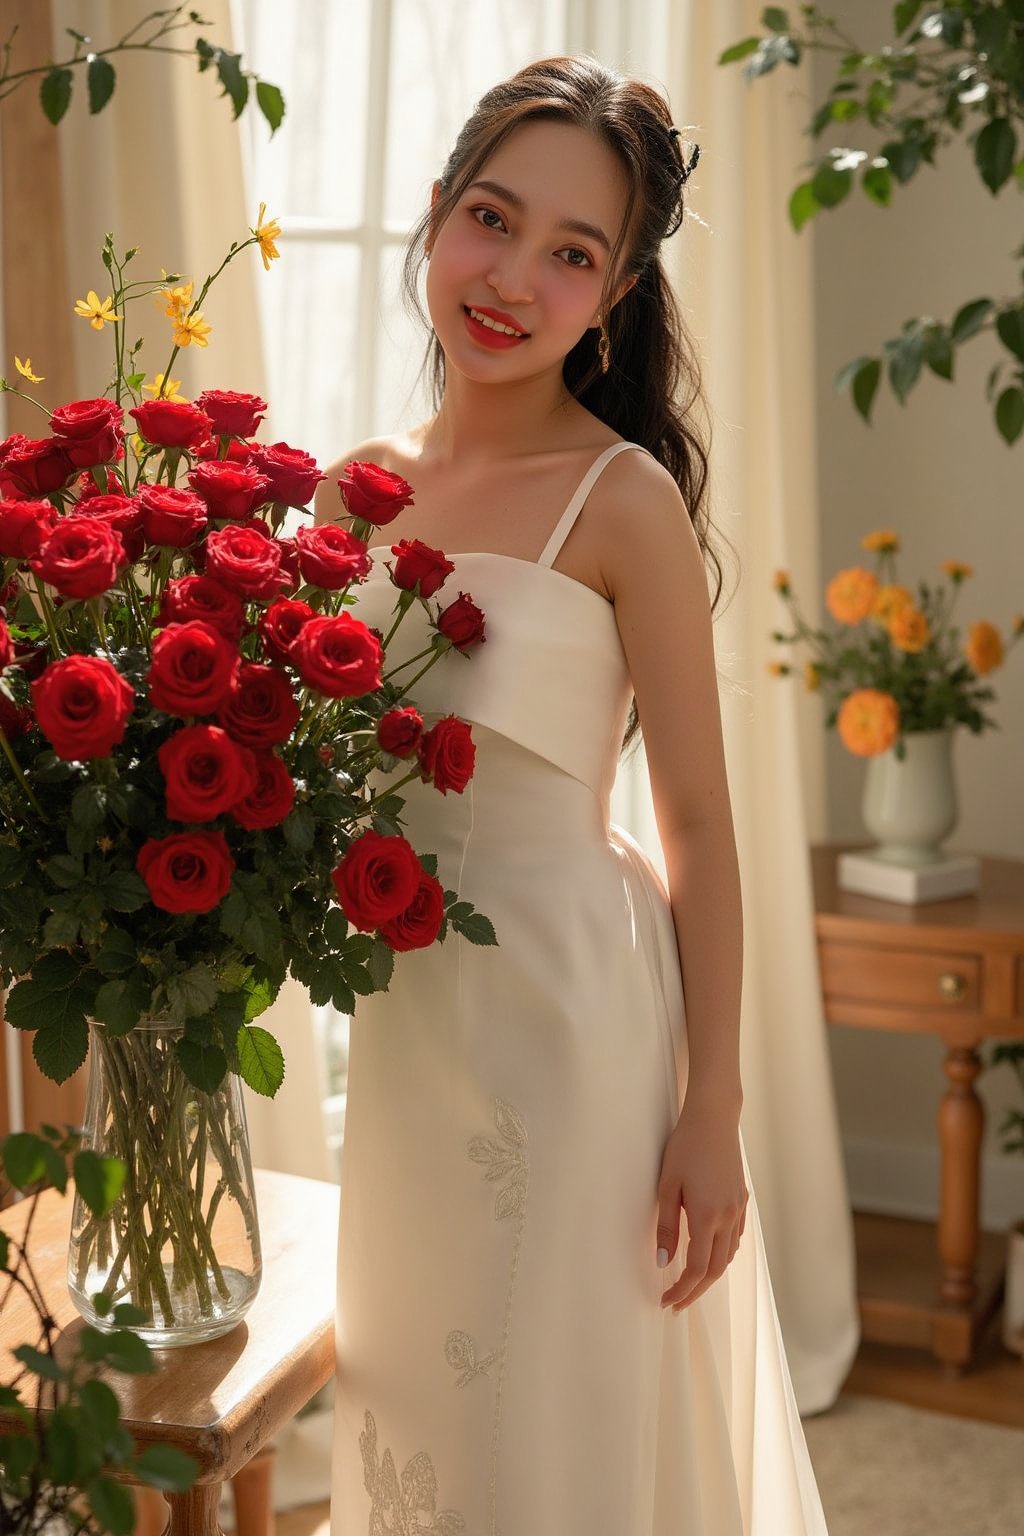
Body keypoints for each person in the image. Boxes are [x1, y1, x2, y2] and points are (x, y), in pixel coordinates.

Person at [314, 53, 830, 1536]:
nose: (512, 276)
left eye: (571, 255)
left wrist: (711, 1105)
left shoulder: (624, 500)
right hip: (412, 1026)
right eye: (492, 217)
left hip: (576, 1022)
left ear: (609, 300)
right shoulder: (348, 491)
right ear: (434, 215)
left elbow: (703, 828)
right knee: (418, 1402)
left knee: (551, 1416)